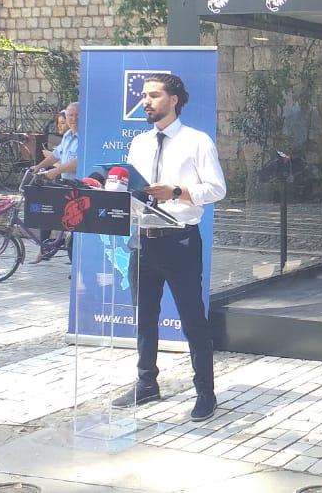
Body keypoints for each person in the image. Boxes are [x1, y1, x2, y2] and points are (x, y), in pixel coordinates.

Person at [111, 73, 226, 423]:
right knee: (144, 317)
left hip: (180, 240)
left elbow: (217, 189)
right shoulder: (139, 143)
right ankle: (147, 383)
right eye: (144, 96)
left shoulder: (196, 141)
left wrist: (177, 191)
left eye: (154, 95)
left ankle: (205, 392)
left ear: (174, 100)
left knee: (192, 320)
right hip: (142, 239)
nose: (146, 101)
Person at [30, 103, 79, 261]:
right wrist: (38, 166)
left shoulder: (85, 136)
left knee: (73, 224)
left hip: (78, 186)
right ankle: (46, 247)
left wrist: (56, 171)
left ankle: (65, 251)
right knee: (46, 211)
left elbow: (77, 162)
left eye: (76, 115)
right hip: (64, 183)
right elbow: (56, 155)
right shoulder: (68, 135)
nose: (73, 119)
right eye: (70, 115)